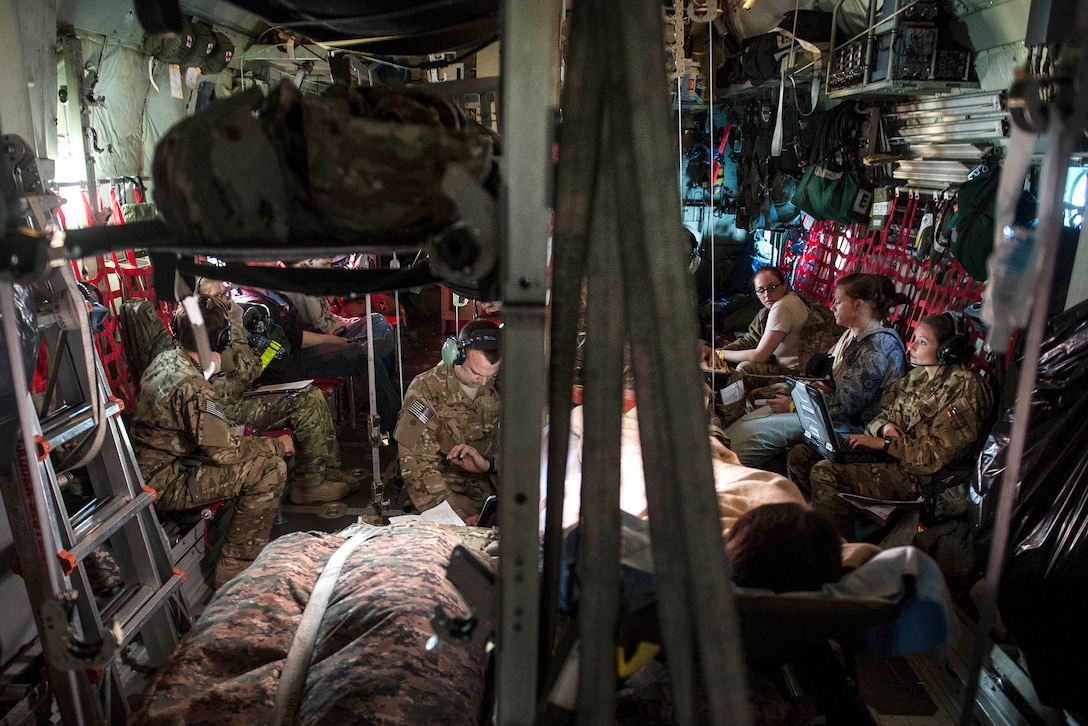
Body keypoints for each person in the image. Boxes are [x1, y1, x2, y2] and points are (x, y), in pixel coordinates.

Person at [787, 312, 993, 540]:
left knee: (825, 473)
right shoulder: (918, 377)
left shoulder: (966, 389)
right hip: (890, 457)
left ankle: (837, 556)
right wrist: (884, 428)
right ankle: (810, 531)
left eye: (922, 342)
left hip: (921, 477)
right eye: (915, 339)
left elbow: (934, 457)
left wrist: (886, 444)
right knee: (801, 454)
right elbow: (881, 414)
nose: (911, 347)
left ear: (947, 350)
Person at [132, 295, 290, 589]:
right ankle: (235, 572)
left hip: (151, 469)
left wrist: (211, 366)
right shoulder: (195, 389)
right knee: (270, 468)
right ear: (222, 338)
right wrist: (277, 445)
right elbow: (225, 453)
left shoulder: (166, 360)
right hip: (165, 483)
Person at [196, 277, 357, 500]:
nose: (226, 301)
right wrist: (238, 330)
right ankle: (309, 484)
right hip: (226, 410)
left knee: (312, 395)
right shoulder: (208, 333)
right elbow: (248, 371)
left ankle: (328, 471)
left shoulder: (228, 322)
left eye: (226, 294)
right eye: (218, 297)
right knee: (306, 403)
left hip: (242, 395)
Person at [723, 273, 907, 466]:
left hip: (851, 426)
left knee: (758, 433)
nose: (832, 307)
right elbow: (830, 380)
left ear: (858, 305)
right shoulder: (853, 336)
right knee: (758, 418)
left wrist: (796, 406)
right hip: (828, 412)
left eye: (838, 301)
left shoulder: (876, 348)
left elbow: (844, 406)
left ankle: (724, 465)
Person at [234, 283, 401, 429]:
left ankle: (364, 350)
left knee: (377, 321)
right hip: (293, 359)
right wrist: (335, 340)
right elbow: (293, 339)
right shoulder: (255, 304)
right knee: (366, 358)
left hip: (314, 341)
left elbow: (300, 323)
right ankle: (392, 424)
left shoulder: (274, 294)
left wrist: (329, 333)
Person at [394, 320, 502, 524]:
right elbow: (416, 463)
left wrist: (489, 463)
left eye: (492, 374)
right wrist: (456, 514)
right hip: (442, 491)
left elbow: (525, 448)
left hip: (492, 489)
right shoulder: (424, 390)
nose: (484, 382)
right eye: (476, 373)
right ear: (454, 355)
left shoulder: (502, 382)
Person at [701, 266, 810, 378]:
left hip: (797, 376)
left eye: (773, 287)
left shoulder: (782, 306)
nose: (767, 295)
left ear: (784, 285)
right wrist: (717, 352)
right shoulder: (766, 312)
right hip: (784, 366)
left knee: (745, 369)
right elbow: (751, 340)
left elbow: (759, 356)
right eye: (761, 290)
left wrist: (720, 354)